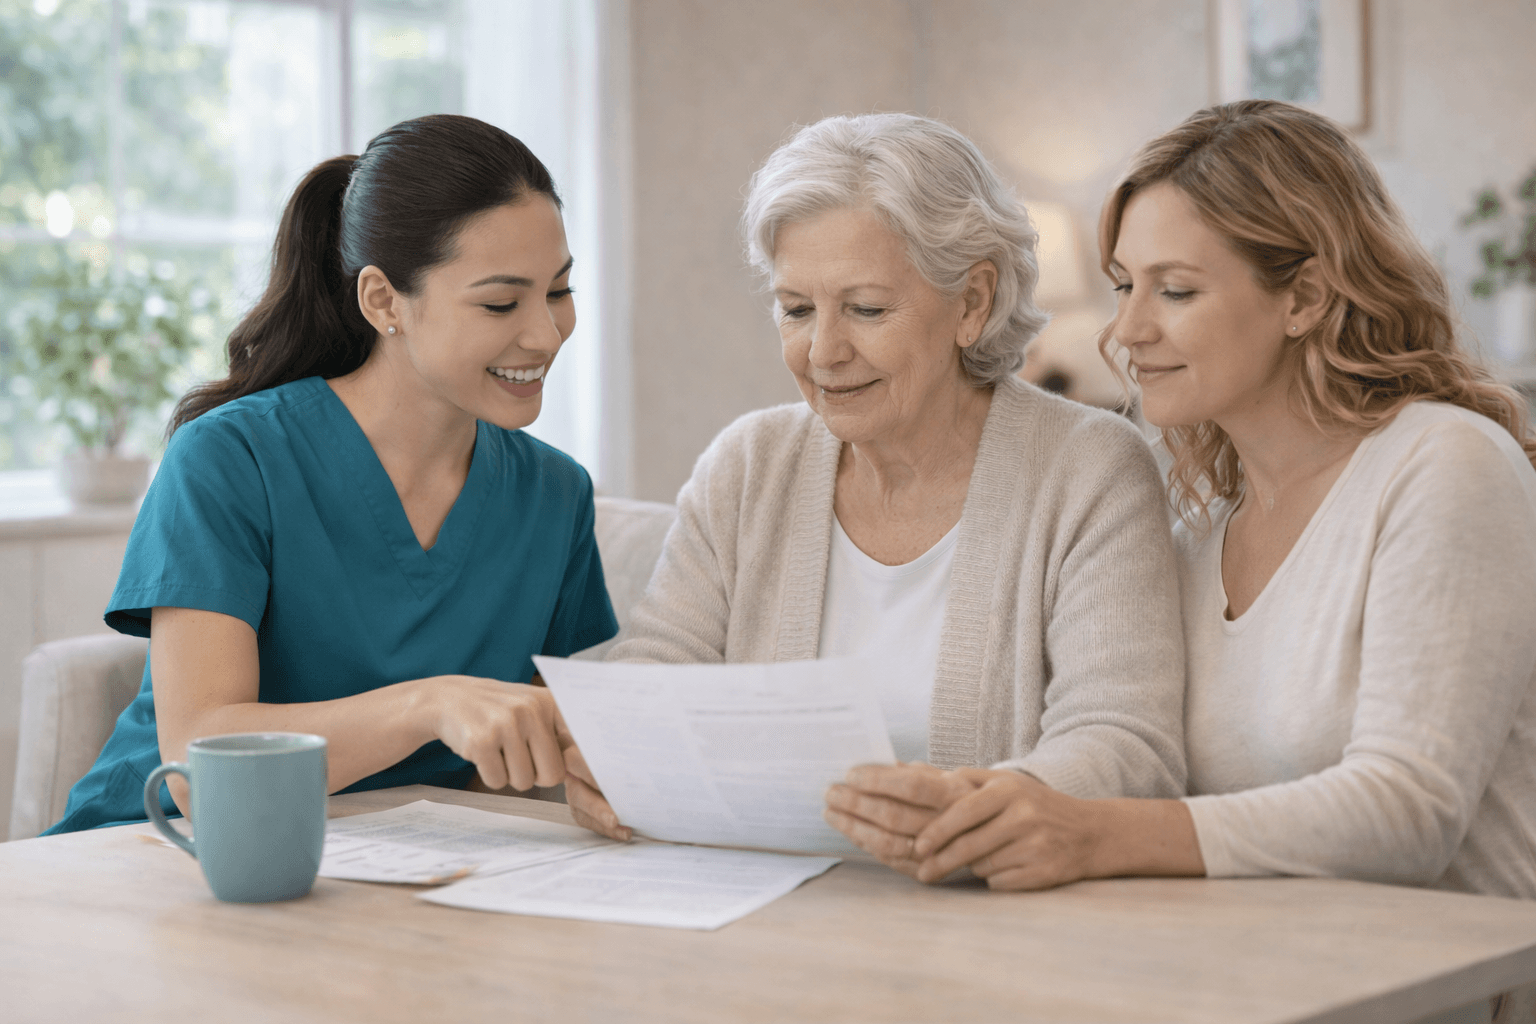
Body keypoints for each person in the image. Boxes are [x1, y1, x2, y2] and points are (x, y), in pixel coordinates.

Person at [894, 100, 1536, 905]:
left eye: (1177, 291)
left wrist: (1093, 831)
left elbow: (1410, 811)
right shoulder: (1193, 531)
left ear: (1304, 297)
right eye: (1125, 285)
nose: (1127, 329)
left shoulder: (1445, 465)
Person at [565, 113, 1190, 882]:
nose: (823, 352)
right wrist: (615, 754)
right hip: (752, 906)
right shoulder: (751, 463)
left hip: (991, 921)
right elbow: (659, 665)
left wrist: (969, 814)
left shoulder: (1089, 468)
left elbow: (1125, 743)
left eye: (865, 309)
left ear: (972, 302)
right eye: (797, 309)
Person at [47, 114, 618, 833]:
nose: (545, 334)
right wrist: (430, 705)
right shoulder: (230, 460)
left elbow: (519, 761)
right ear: (383, 301)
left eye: (558, 292)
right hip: (161, 855)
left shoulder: (556, 496)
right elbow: (200, 767)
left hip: (393, 869)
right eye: (501, 302)